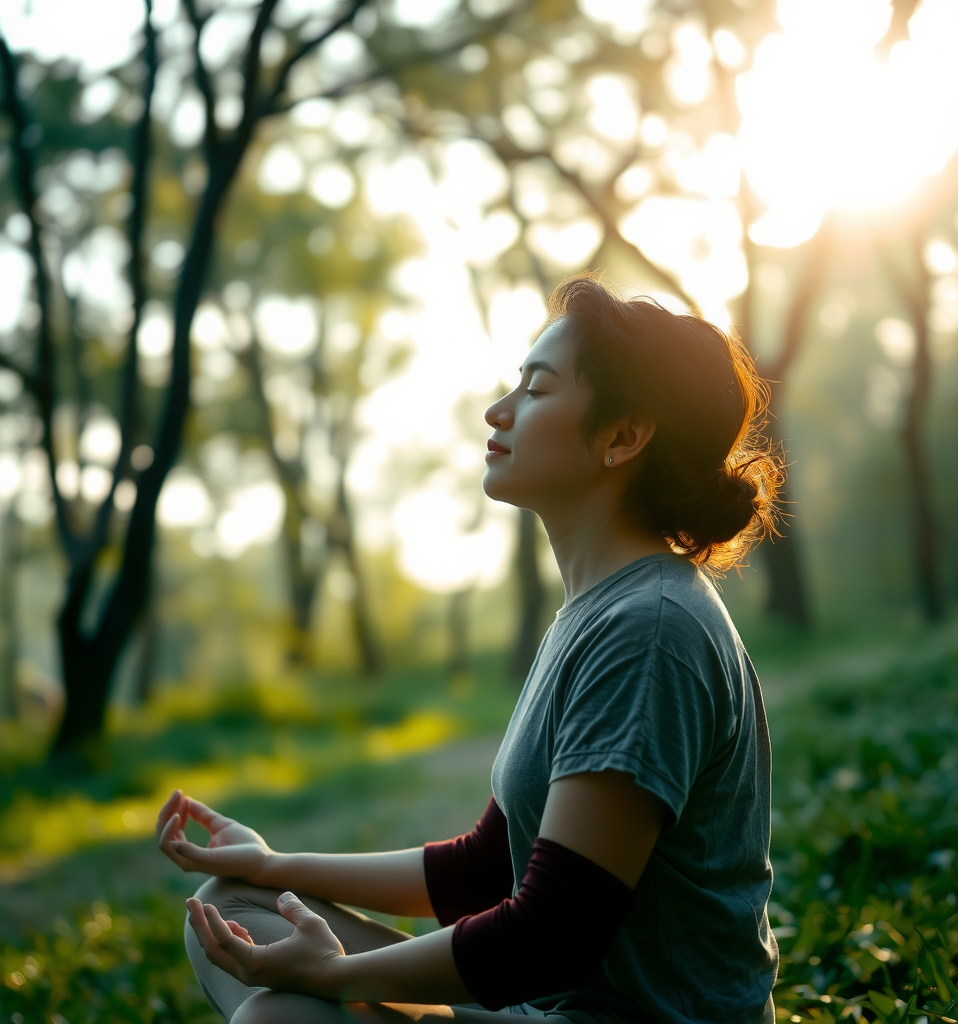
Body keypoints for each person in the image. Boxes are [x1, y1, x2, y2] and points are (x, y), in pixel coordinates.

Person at [157, 273, 782, 1024]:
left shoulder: (647, 630)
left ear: (623, 436)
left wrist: (334, 977)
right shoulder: (594, 613)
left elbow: (550, 937)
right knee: (234, 904)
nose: (498, 409)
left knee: (279, 1016)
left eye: (538, 389)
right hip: (543, 1011)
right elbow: (488, 865)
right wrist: (270, 864)